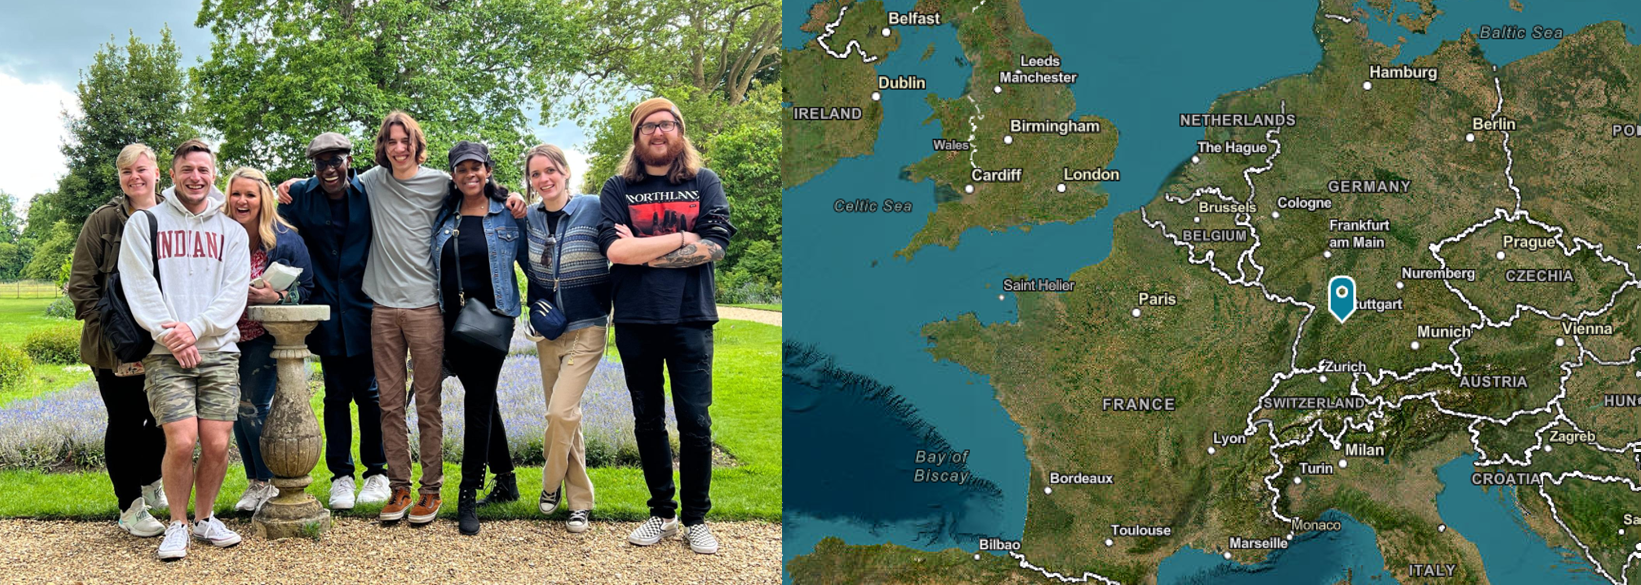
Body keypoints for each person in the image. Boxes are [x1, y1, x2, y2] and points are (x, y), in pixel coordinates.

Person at [278, 112, 525, 524]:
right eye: (391, 141)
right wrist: (285, 186)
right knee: (390, 405)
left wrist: (512, 196)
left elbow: (477, 189)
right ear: (382, 147)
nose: (398, 147)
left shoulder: (439, 184)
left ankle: (431, 491)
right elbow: (322, 181)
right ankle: (398, 488)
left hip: (427, 307)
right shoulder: (371, 182)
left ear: (416, 143)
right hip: (381, 309)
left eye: (405, 140)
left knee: (428, 404)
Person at [599, 97, 735, 554]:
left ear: (680, 131)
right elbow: (616, 253)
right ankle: (662, 513)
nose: (658, 133)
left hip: (691, 318)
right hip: (636, 318)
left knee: (695, 420)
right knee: (648, 420)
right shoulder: (618, 188)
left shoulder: (704, 182)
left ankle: (696, 518)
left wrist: (645, 247)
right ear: (637, 139)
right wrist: (682, 237)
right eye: (648, 127)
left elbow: (716, 244)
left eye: (667, 124)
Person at [119, 138, 251, 560]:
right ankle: (176, 524)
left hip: (218, 350)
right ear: (171, 174)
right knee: (180, 441)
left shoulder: (231, 231)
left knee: (215, 444)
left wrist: (193, 329)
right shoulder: (146, 223)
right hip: (165, 354)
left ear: (213, 175)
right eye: (187, 170)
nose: (196, 177)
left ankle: (205, 518)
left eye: (204, 170)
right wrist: (171, 337)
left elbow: (234, 294)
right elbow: (139, 286)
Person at [276, 133, 391, 510]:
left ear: (349, 159)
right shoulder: (301, 198)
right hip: (325, 311)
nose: (329, 169)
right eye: (321, 162)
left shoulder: (370, 192)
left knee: (371, 394)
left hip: (366, 308)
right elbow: (269, 218)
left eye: (335, 160)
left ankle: (378, 472)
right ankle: (341, 476)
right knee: (336, 395)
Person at [505, 144, 611, 534]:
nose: (543, 179)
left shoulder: (594, 207)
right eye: (535, 174)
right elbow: (497, 209)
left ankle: (550, 486)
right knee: (567, 418)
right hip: (548, 331)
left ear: (565, 172)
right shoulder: (528, 219)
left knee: (557, 413)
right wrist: (511, 198)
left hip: (588, 326)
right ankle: (580, 504)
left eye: (550, 170)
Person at [66, 143, 170, 537]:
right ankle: (130, 507)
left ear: (157, 172)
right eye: (126, 172)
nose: (135, 178)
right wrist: (115, 333)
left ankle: (150, 481)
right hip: (113, 347)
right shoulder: (103, 221)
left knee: (163, 418)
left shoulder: (171, 216)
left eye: (141, 169)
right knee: (126, 421)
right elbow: (81, 286)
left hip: (162, 340)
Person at [431, 141, 527, 535]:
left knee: (477, 402)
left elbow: (533, 263)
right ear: (453, 175)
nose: (469, 174)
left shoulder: (509, 215)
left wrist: (546, 304)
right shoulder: (444, 214)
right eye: (461, 169)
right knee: (487, 402)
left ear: (488, 170)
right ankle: (506, 480)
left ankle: (468, 492)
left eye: (476, 167)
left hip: (490, 322)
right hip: (451, 323)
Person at [223, 167, 314, 514]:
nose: (243, 201)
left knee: (252, 408)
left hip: (264, 335)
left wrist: (277, 299)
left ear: (264, 198)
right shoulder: (221, 235)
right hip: (226, 335)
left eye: (250, 194)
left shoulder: (286, 239)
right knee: (233, 412)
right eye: (236, 194)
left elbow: (307, 288)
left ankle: (270, 482)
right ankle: (256, 482)